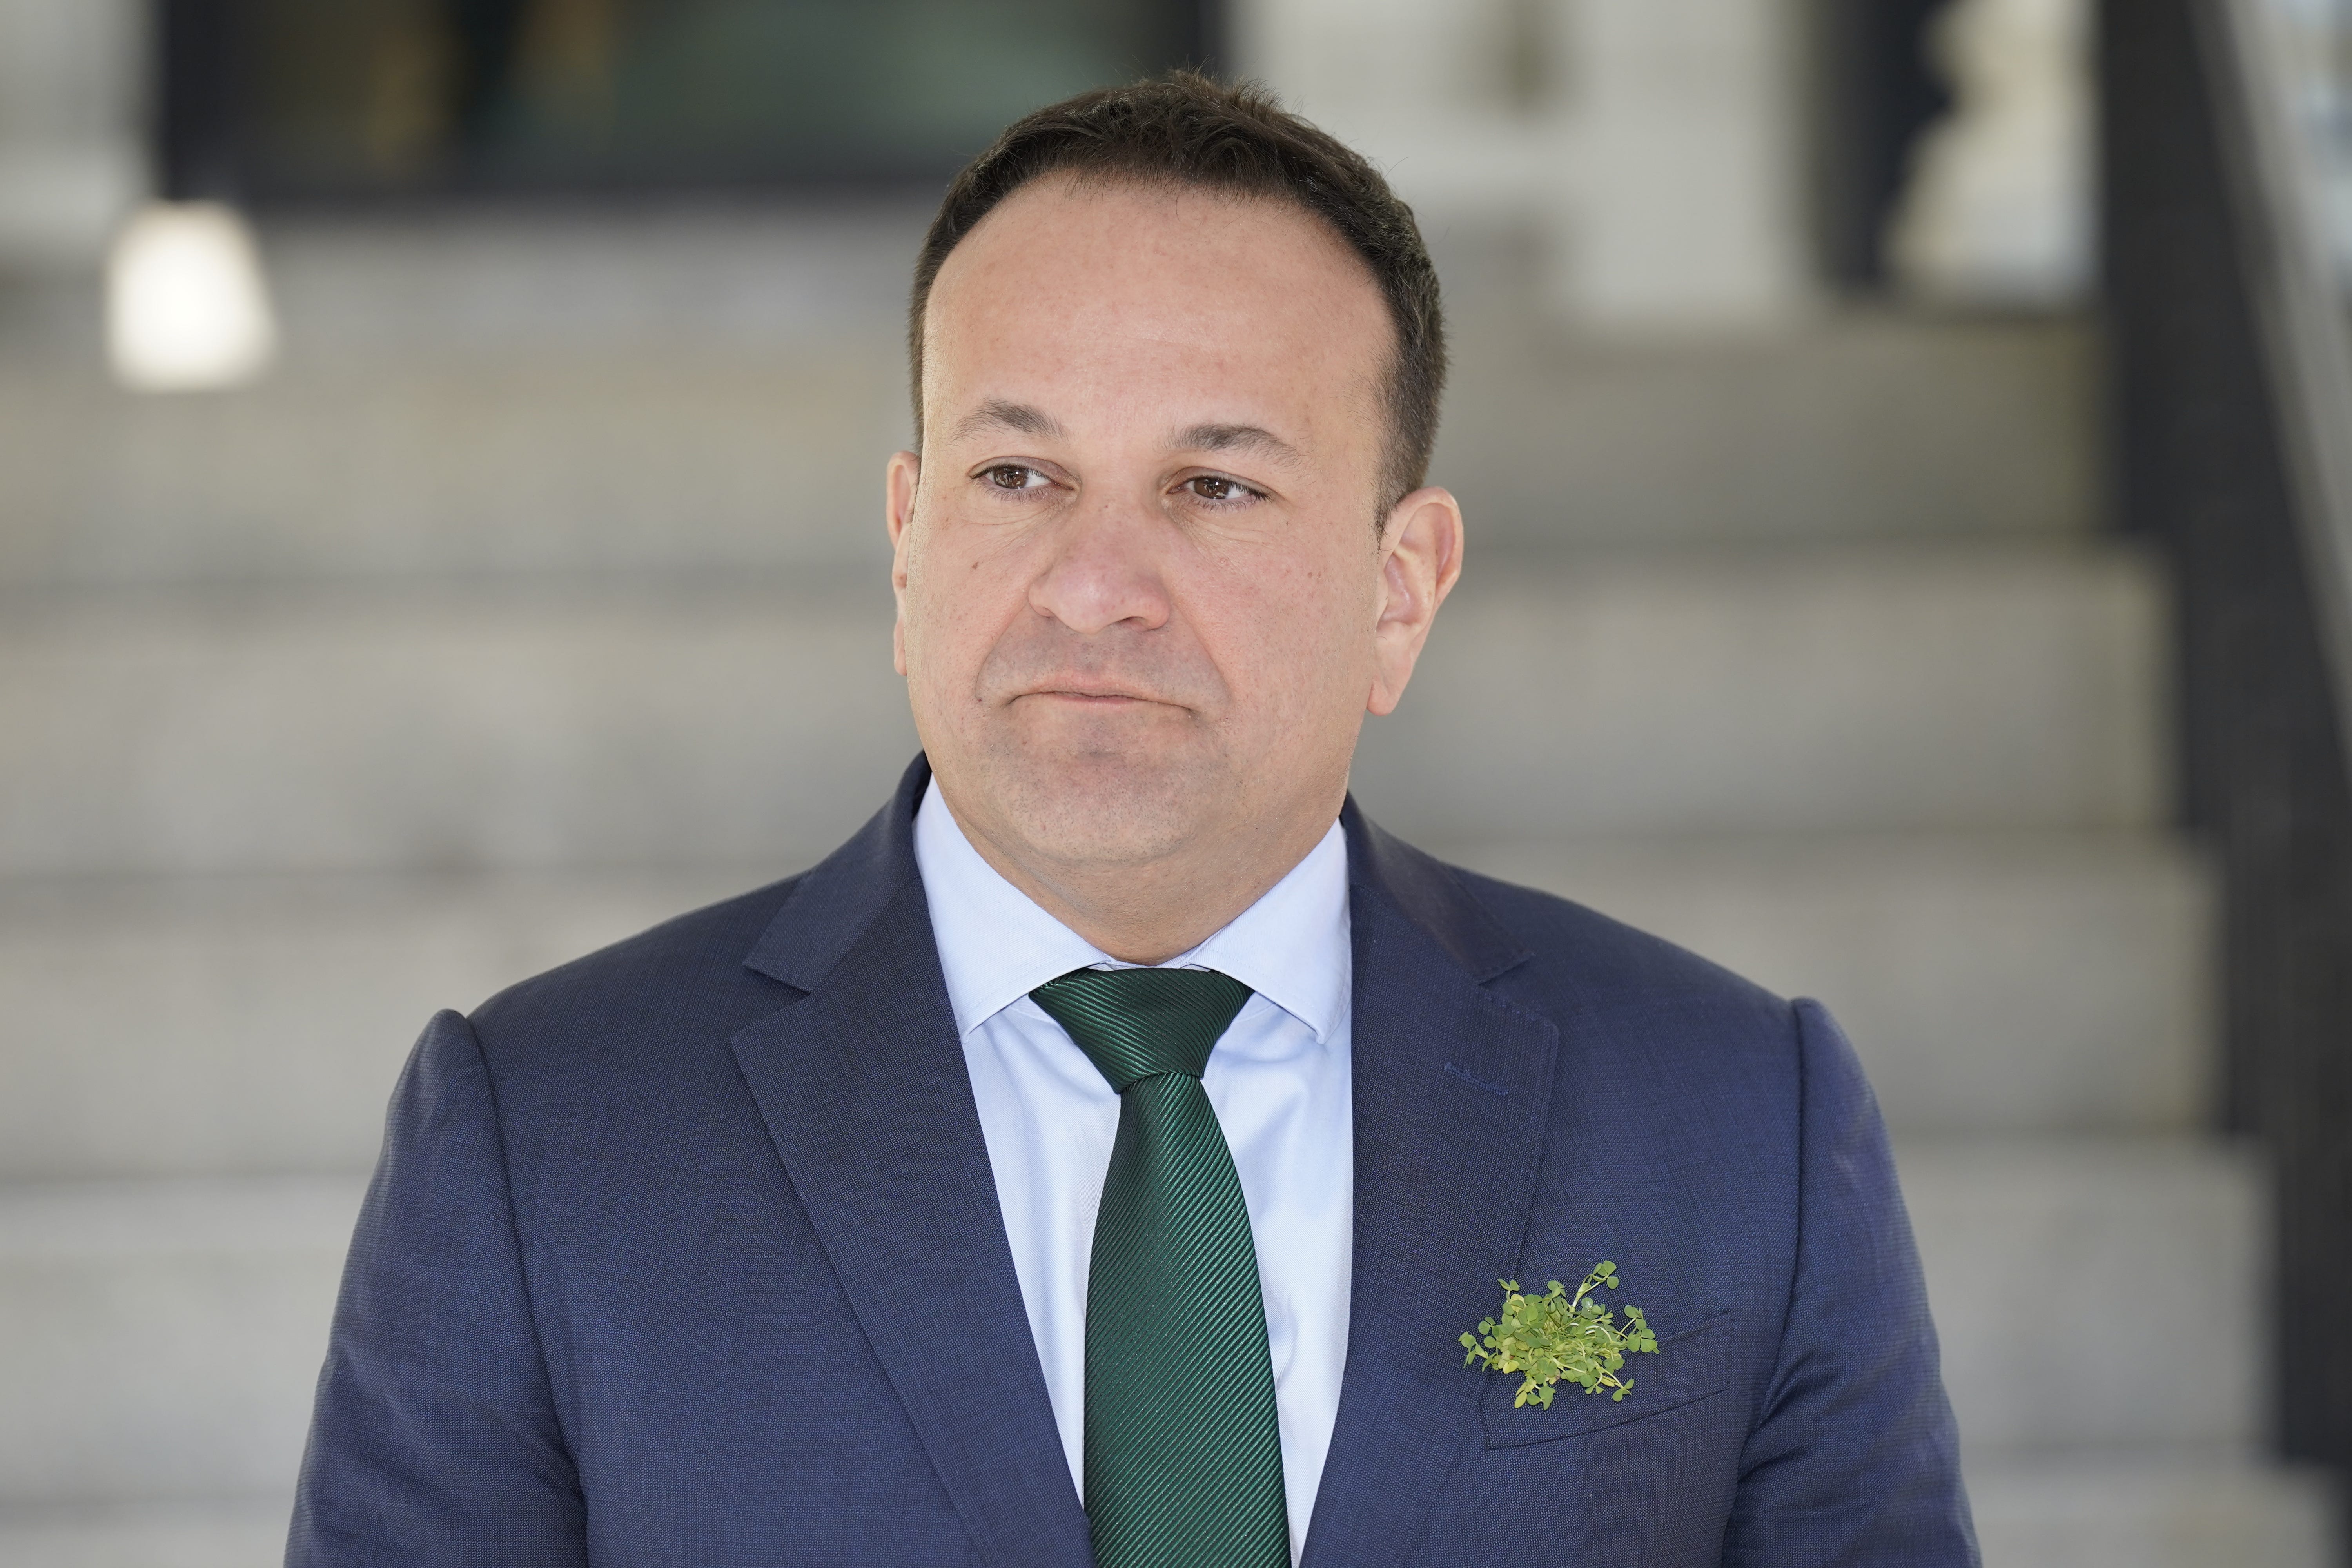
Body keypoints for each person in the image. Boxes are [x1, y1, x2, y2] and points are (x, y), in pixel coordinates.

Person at [289, 72, 1976, 1568]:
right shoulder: (540, 1140)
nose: (1095, 588)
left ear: (1402, 590)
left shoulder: (1739, 1123)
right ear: (906, 540)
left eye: (1215, 486)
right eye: (1018, 476)